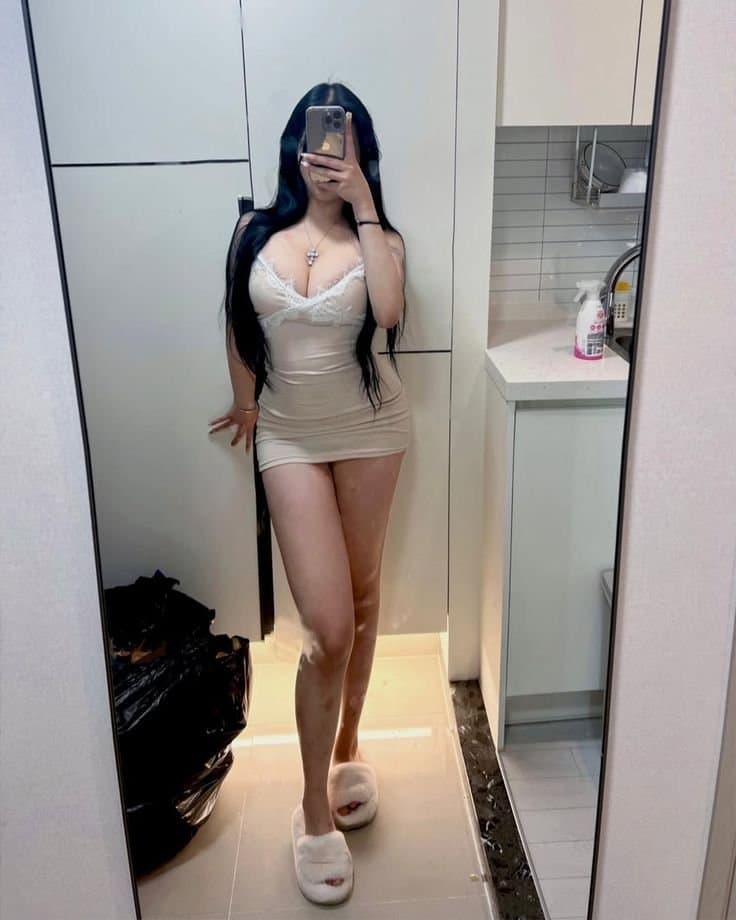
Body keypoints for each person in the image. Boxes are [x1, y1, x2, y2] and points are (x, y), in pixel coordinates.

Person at [208, 82, 411, 905]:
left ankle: (349, 746)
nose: (324, 153)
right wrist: (247, 403)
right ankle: (312, 807)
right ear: (294, 145)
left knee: (361, 599)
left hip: (372, 430)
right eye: (314, 137)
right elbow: (235, 322)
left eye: (342, 140)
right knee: (326, 629)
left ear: (361, 151)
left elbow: (389, 312)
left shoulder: (381, 237)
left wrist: (363, 204)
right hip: (288, 437)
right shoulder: (255, 232)